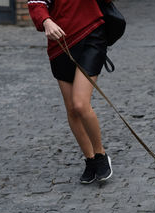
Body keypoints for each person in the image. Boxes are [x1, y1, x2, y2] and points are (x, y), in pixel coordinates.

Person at [28, 0, 113, 184]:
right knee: (72, 109)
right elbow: (36, 3)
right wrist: (46, 21)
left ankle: (100, 155)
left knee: (80, 104)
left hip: (91, 34)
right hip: (60, 42)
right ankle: (90, 159)